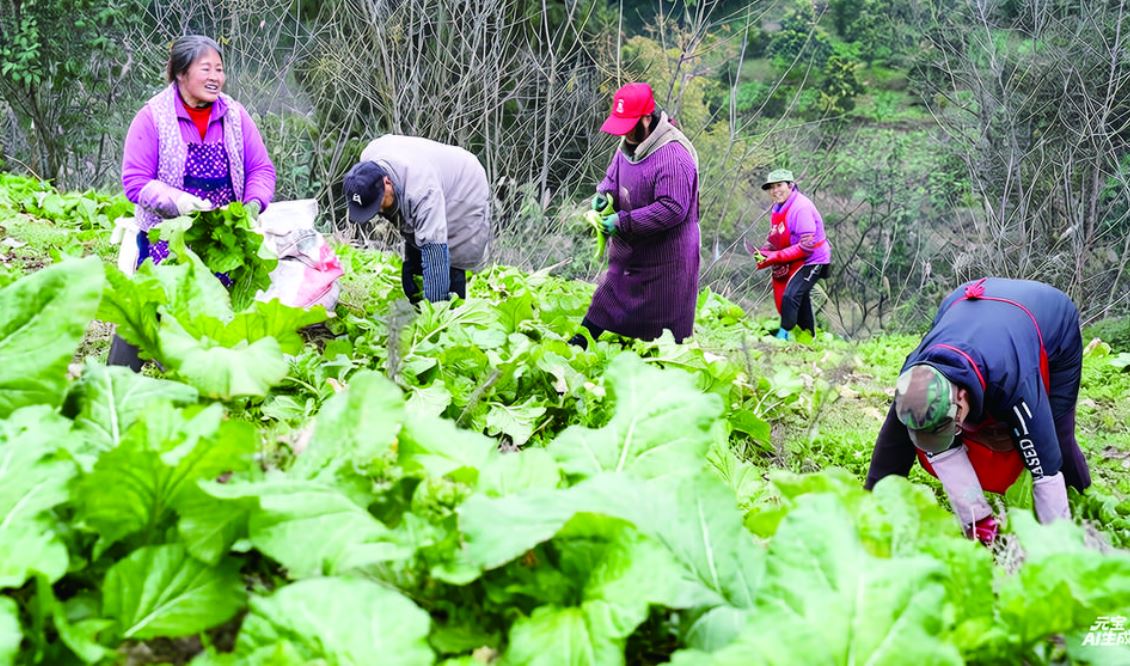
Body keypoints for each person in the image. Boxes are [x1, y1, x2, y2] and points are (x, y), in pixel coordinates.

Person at [865, 278, 1091, 545]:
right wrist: (870, 509)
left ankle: (1081, 493)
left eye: (954, 421)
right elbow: (892, 450)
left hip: (1050, 317)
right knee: (936, 421)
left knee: (1056, 434)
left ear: (961, 395)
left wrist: (1058, 545)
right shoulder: (915, 376)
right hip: (965, 302)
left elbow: (1045, 467)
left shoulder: (1013, 379)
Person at [110, 34, 276, 371]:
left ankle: (209, 386)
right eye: (206, 69)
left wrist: (253, 204)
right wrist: (181, 203)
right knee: (146, 307)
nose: (216, 77)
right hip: (167, 240)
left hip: (222, 241)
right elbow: (135, 181)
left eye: (220, 69)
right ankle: (115, 381)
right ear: (181, 73)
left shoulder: (235, 116)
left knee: (215, 318)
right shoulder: (152, 117)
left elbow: (260, 168)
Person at [569, 82, 700, 349]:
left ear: (646, 118)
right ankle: (579, 344)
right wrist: (604, 196)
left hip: (667, 258)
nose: (625, 132)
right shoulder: (627, 145)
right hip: (631, 249)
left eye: (629, 124)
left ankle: (662, 359)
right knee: (608, 296)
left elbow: (673, 208)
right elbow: (612, 178)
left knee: (662, 325)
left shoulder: (673, 156)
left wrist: (623, 222)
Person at [344, 136, 491, 303]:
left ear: (387, 182)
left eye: (378, 204)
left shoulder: (422, 191)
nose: (379, 211)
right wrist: (412, 262)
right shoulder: (367, 164)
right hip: (428, 172)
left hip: (464, 185)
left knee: (451, 259)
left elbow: (434, 249)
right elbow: (411, 220)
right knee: (417, 261)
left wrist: (436, 311)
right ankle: (420, 300)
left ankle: (452, 314)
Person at [746, 169, 831, 340]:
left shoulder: (801, 208)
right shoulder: (778, 207)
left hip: (814, 260)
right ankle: (808, 337)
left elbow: (807, 246)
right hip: (797, 259)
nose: (775, 190)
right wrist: (765, 250)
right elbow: (777, 236)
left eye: (779, 185)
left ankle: (784, 333)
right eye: (771, 187)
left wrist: (776, 256)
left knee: (790, 295)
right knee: (801, 297)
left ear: (790, 186)